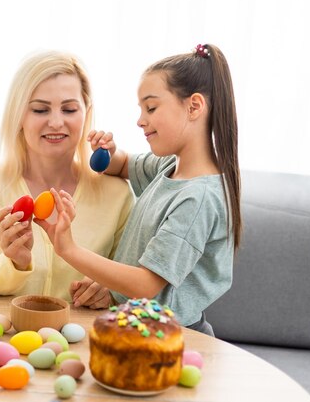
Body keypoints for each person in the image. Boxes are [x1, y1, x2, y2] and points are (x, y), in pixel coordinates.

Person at [36, 44, 241, 335]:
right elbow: (123, 166)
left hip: (172, 335)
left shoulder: (198, 199)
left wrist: (68, 248)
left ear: (194, 106)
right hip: (138, 321)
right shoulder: (169, 167)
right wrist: (107, 153)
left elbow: (145, 285)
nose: (140, 120)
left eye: (151, 107)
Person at [0, 51, 134, 304]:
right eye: (40, 110)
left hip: (83, 342)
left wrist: (111, 293)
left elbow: (133, 291)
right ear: (18, 116)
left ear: (86, 113)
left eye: (70, 109)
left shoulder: (118, 194)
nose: (56, 122)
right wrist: (13, 263)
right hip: (7, 339)